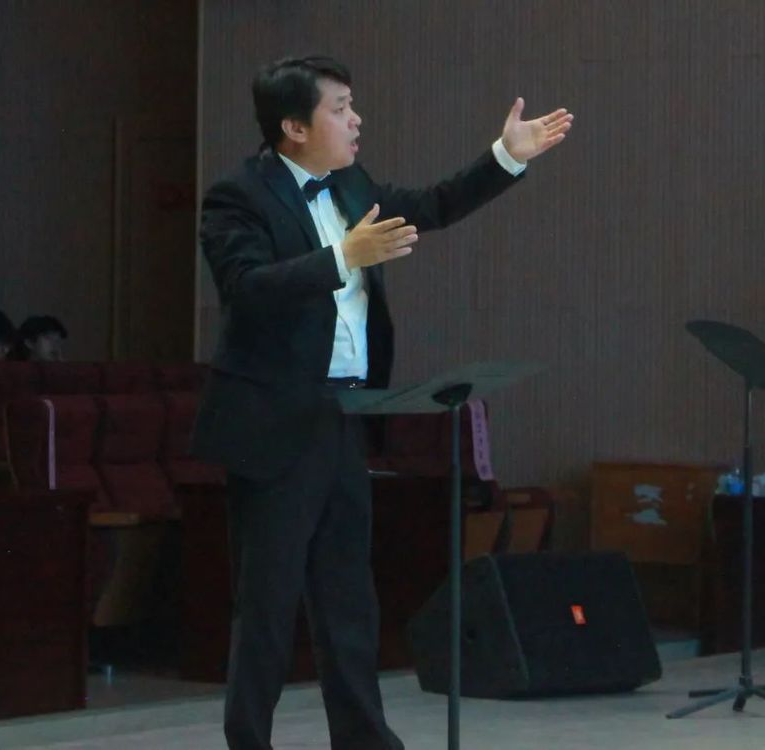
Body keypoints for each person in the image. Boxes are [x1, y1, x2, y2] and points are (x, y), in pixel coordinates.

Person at [192, 55, 572, 750]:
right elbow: (245, 288)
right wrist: (344, 258)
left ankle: (365, 740)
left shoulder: (351, 183)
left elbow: (430, 206)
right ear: (293, 126)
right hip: (275, 424)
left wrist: (506, 158)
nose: (355, 119)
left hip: (347, 418)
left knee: (348, 599)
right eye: (339, 108)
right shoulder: (236, 195)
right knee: (268, 604)